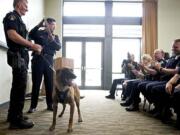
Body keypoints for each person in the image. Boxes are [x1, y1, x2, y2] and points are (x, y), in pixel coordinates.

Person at [3, 0, 42, 129]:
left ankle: (13, 115)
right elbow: (12, 35)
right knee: (20, 88)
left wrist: (33, 47)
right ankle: (16, 121)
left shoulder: (20, 20)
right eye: (26, 5)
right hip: (17, 57)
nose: (27, 9)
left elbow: (22, 42)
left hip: (22, 56)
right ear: (19, 4)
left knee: (17, 88)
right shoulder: (12, 17)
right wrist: (32, 45)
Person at [27, 18, 61, 113]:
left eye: (54, 25)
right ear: (47, 25)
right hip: (38, 60)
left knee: (49, 84)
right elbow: (30, 34)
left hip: (49, 61)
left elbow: (58, 47)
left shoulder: (55, 36)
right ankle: (33, 106)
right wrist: (38, 25)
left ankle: (49, 105)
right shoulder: (39, 33)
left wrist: (51, 38)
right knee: (36, 84)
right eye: (52, 24)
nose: (53, 26)